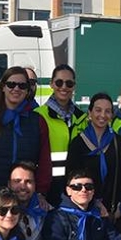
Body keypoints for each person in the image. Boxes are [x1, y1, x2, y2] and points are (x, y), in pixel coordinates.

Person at [0, 67, 53, 202]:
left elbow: (44, 160)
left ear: (28, 90)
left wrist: (41, 192)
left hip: (26, 192)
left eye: (22, 86)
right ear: (3, 87)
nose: (16, 89)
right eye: (11, 84)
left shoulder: (37, 121)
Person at [66, 92, 121, 211]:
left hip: (112, 209)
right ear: (90, 112)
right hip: (85, 207)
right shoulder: (78, 143)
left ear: (112, 115)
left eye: (107, 111)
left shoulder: (118, 142)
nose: (102, 115)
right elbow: (72, 177)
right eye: (98, 110)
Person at [34, 64, 88, 198]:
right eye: (59, 82)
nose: (64, 87)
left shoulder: (83, 118)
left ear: (74, 86)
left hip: (76, 189)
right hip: (47, 189)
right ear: (51, 84)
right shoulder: (37, 116)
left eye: (69, 83)